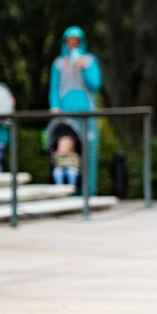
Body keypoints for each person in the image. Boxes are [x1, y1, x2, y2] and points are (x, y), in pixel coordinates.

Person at [49, 26, 102, 193]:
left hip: (87, 114)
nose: (73, 44)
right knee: (66, 156)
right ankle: (68, 193)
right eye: (69, 41)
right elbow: (54, 88)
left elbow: (95, 85)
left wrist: (83, 68)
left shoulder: (90, 60)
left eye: (76, 41)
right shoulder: (58, 63)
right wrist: (54, 106)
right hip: (66, 117)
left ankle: (90, 192)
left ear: (82, 42)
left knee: (89, 154)